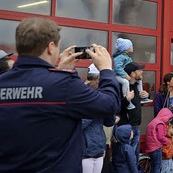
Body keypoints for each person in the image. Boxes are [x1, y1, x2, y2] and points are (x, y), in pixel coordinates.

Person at [0, 17, 119, 172]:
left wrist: (60, 72)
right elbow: (109, 105)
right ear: (50, 47)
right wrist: (106, 70)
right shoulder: (64, 84)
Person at [82, 64, 117, 173]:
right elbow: (79, 123)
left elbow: (109, 122)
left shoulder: (101, 95)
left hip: (99, 148)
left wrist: (110, 108)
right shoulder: (81, 93)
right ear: (97, 79)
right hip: (85, 151)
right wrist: (97, 109)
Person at [118, 61, 150, 163]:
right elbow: (117, 106)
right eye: (139, 70)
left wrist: (145, 96)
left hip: (136, 126)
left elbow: (136, 105)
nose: (142, 72)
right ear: (132, 74)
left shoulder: (136, 86)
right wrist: (127, 99)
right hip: (127, 128)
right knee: (126, 158)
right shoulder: (121, 87)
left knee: (135, 158)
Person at [154, 72, 173, 172]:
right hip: (163, 124)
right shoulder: (160, 95)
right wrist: (165, 123)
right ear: (168, 82)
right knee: (164, 147)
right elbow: (157, 110)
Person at [147, 108, 173, 173]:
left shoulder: (154, 121)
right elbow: (160, 137)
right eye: (169, 119)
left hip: (150, 147)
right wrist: (166, 141)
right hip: (156, 147)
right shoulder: (160, 124)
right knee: (157, 166)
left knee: (153, 165)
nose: (168, 121)